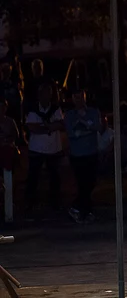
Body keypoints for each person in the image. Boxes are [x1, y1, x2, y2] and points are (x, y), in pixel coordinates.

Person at [24, 84, 65, 216]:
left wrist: (44, 127)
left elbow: (60, 124)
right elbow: (31, 127)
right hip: (36, 149)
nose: (45, 96)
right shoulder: (33, 109)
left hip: (53, 149)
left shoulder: (55, 109)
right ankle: (30, 202)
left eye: (48, 93)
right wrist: (48, 128)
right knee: (33, 177)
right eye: (43, 94)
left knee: (55, 177)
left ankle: (55, 202)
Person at [63, 90, 101, 223]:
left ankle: (78, 208)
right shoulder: (69, 115)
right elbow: (72, 133)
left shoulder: (93, 112)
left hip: (91, 153)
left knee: (91, 182)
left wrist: (83, 127)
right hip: (77, 155)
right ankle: (85, 211)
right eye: (76, 97)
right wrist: (87, 129)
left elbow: (97, 127)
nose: (79, 100)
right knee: (82, 183)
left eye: (81, 97)